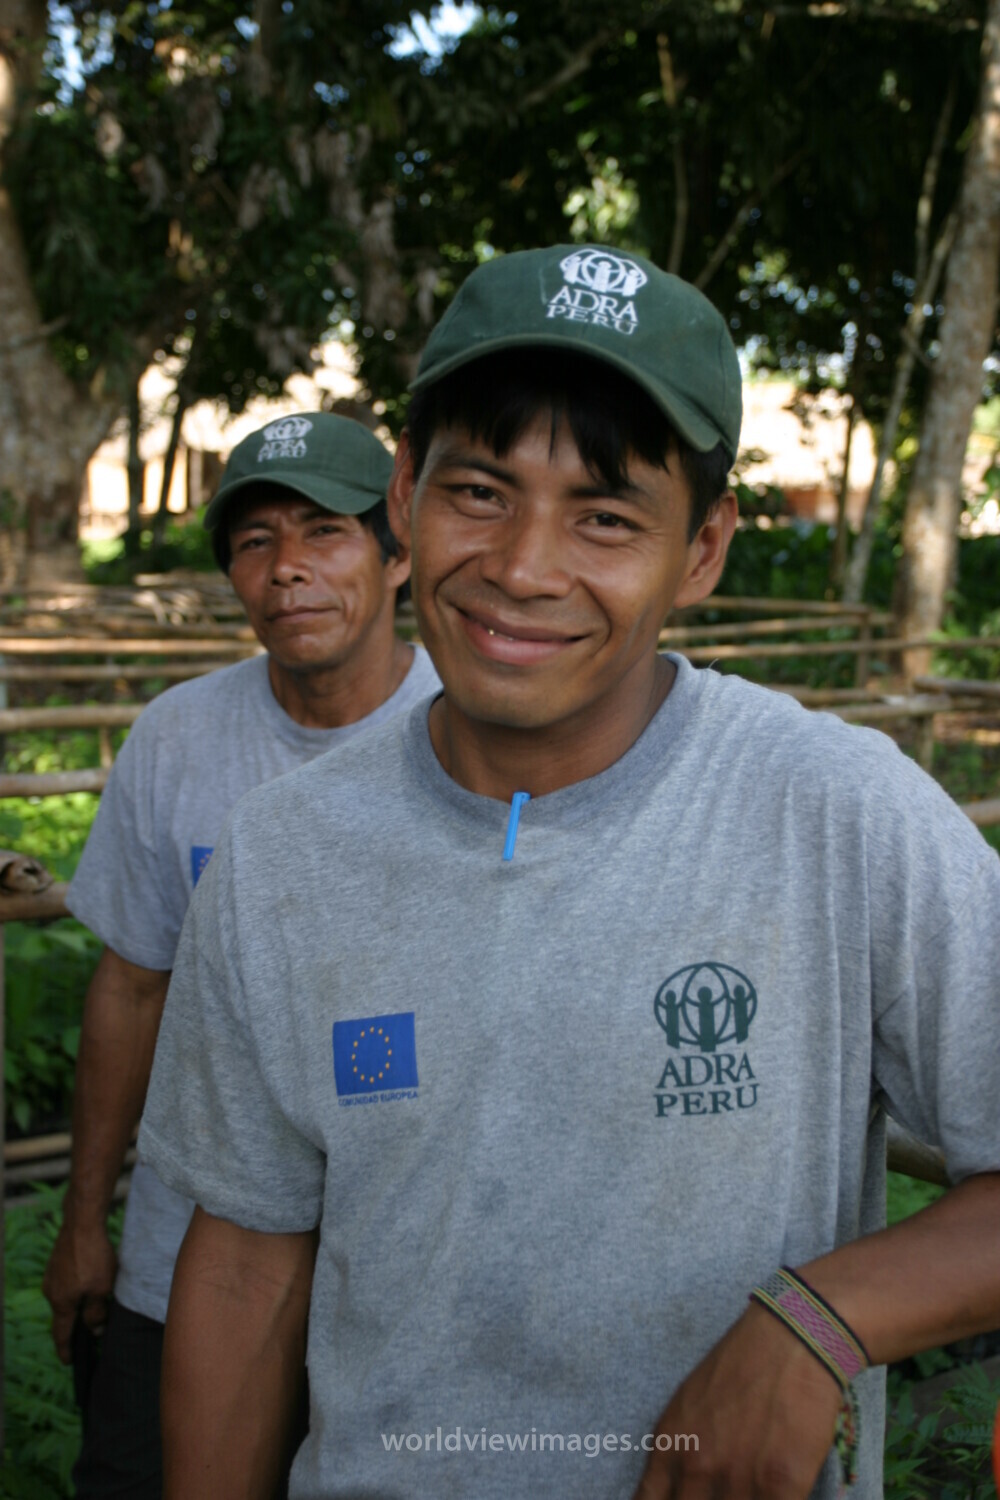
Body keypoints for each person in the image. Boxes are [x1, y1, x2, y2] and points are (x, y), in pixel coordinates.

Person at [138, 247, 1000, 1500]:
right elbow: (243, 1266)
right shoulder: (283, 855)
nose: (525, 567)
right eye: (479, 491)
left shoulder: (837, 813)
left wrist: (820, 1319)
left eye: (604, 516)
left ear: (701, 551)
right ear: (405, 496)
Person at [43, 410, 440, 1499]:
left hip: (397, 1265)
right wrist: (88, 1223)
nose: (288, 570)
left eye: (325, 532)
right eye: (256, 542)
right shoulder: (179, 738)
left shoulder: (470, 734)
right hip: (187, 1252)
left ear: (397, 551)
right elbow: (130, 985)